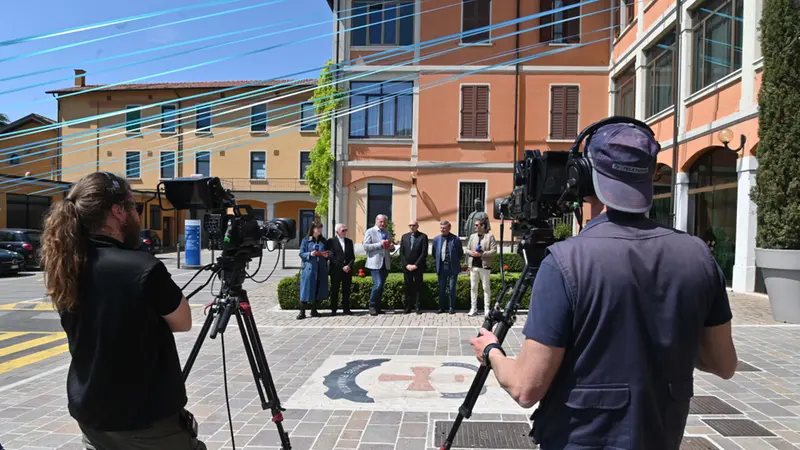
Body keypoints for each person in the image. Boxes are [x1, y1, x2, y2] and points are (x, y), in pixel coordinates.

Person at [468, 121, 737, 450]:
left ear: (583, 176)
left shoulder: (566, 261)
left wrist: (491, 350)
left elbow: (526, 387)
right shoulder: (699, 256)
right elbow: (723, 364)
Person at [39, 171, 205, 450]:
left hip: (93, 415)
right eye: (134, 208)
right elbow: (183, 321)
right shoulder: (142, 266)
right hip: (145, 420)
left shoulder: (67, 265)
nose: (138, 216)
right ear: (118, 212)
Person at [363, 214, 394, 316]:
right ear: (376, 221)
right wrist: (379, 244)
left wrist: (391, 247)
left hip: (385, 262)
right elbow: (366, 246)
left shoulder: (387, 232)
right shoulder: (370, 231)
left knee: (381, 286)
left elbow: (390, 248)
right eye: (380, 222)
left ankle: (378, 307)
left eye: (384, 222)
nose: (382, 224)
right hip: (374, 263)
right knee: (378, 284)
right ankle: (372, 306)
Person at [466, 217, 497, 317]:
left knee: (486, 288)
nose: (475, 227)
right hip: (473, 266)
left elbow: (494, 251)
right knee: (473, 288)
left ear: (483, 226)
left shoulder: (490, 237)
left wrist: (482, 254)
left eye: (476, 225)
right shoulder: (472, 237)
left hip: (485, 267)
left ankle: (486, 309)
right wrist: (471, 252)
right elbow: (467, 249)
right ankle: (473, 308)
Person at [298, 221, 329, 320]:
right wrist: (309, 254)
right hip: (309, 268)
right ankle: (302, 312)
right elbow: (301, 253)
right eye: (318, 228)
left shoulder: (323, 240)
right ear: (312, 229)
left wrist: (326, 255)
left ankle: (314, 310)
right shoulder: (306, 240)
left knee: (318, 289)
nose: (319, 230)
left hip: (321, 268)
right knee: (306, 290)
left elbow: (329, 252)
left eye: (321, 228)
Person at [432, 221, 463, 314]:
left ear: (449, 228)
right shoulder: (436, 239)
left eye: (444, 228)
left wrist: (453, 260)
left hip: (452, 268)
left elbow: (460, 253)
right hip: (441, 268)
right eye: (441, 228)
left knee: (451, 288)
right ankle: (441, 308)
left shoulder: (455, 239)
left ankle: (451, 307)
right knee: (441, 289)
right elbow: (434, 253)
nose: (442, 229)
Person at [399, 220, 429, 314]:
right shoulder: (404, 237)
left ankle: (417, 307)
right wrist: (406, 265)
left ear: (417, 226)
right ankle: (407, 307)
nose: (412, 227)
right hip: (407, 267)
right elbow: (402, 253)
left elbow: (424, 253)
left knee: (418, 287)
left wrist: (416, 265)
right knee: (408, 287)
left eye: (414, 225)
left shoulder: (423, 237)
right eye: (410, 225)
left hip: (418, 267)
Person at [326, 223, 355, 315]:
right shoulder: (331, 241)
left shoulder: (349, 241)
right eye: (343, 230)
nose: (345, 232)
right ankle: (333, 309)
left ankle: (346, 309)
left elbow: (352, 257)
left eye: (346, 230)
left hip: (347, 270)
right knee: (335, 290)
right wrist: (342, 266)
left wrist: (349, 266)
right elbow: (331, 256)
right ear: (337, 231)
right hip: (336, 270)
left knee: (346, 290)